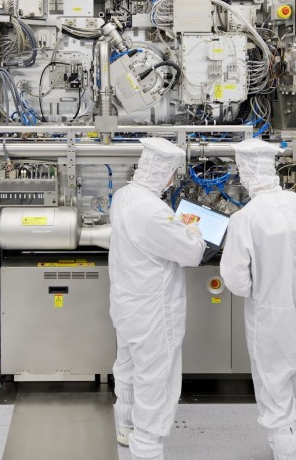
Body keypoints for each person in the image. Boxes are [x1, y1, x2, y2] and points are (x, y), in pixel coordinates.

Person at [220, 138, 296, 460]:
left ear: (245, 173)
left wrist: (264, 286)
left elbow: (235, 281)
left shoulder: (245, 218)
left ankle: (289, 451)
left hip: (270, 316)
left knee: (274, 387)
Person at [109, 137, 206, 460]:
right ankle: (146, 447)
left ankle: (125, 427)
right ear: (164, 174)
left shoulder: (125, 196)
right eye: (171, 175)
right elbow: (191, 253)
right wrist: (193, 231)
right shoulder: (151, 210)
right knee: (156, 377)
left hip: (127, 304)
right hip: (153, 310)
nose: (170, 181)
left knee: (128, 367)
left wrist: (176, 226)